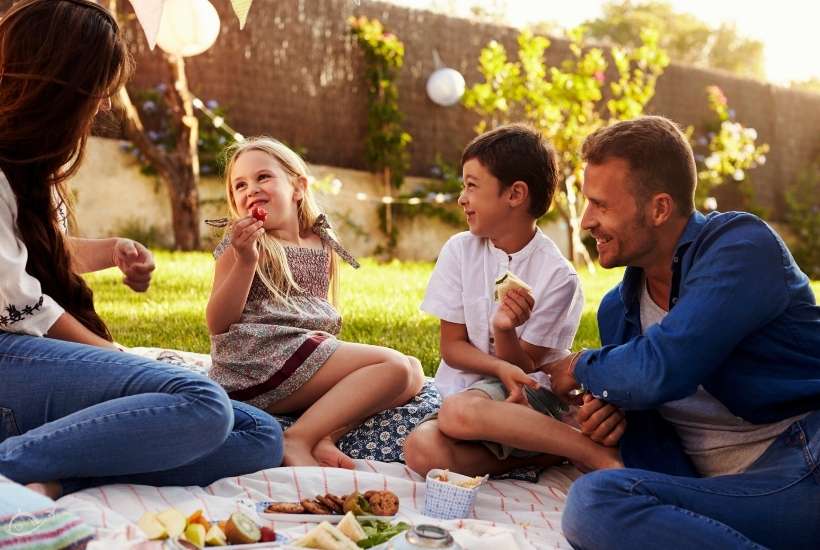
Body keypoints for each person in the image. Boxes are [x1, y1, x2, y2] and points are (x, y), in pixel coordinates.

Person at [0, 0, 284, 499]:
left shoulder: (29, 167)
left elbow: (30, 254)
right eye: (100, 89)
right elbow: (22, 308)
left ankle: (58, 475)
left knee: (261, 435)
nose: (107, 104)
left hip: (28, 359)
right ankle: (11, 464)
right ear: (60, 85)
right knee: (203, 403)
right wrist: (115, 357)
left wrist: (111, 251)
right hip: (10, 356)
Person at [548, 116, 820, 549]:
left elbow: (662, 367)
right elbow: (642, 395)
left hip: (805, 463)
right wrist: (615, 416)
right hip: (719, 496)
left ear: (659, 208)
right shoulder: (618, 310)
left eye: (601, 205)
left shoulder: (741, 247)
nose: (585, 221)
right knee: (599, 503)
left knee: (593, 500)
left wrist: (581, 365)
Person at [403, 124, 622, 477]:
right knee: (420, 450)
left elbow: (527, 370)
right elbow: (452, 347)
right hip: (466, 395)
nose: (462, 198)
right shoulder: (460, 251)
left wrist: (504, 331)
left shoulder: (557, 276)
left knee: (459, 413)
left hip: (527, 399)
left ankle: (591, 452)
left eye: (472, 186)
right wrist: (498, 367)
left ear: (515, 194)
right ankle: (541, 455)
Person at [206, 137, 425, 469]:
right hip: (256, 363)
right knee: (392, 366)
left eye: (263, 177)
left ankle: (325, 435)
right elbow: (217, 324)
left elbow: (316, 315)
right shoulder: (244, 247)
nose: (250, 189)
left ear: (298, 187)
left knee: (413, 372)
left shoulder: (321, 243)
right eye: (240, 185)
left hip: (302, 355)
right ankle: (297, 439)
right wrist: (245, 260)